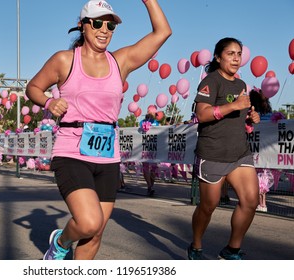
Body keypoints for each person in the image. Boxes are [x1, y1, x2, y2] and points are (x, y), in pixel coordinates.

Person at [26, 0, 171, 260]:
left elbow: (162, 33)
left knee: (95, 234)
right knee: (89, 222)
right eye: (97, 22)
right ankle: (60, 243)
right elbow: (33, 87)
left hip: (107, 155)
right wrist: (49, 101)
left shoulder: (121, 61)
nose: (104, 29)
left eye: (111, 24)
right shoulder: (64, 60)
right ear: (83, 26)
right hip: (72, 151)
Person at [187, 37, 260, 260]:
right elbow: (202, 114)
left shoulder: (241, 85)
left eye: (239, 54)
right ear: (218, 57)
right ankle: (196, 246)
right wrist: (235, 105)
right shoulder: (210, 81)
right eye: (230, 54)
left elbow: (237, 117)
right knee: (208, 206)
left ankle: (231, 250)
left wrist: (250, 118)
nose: (236, 58)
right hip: (213, 154)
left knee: (250, 201)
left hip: (239, 153)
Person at [139, 113, 159, 196]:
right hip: (145, 148)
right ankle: (149, 186)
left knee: (153, 170)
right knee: (146, 169)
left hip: (154, 148)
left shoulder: (156, 122)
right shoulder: (141, 122)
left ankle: (151, 186)